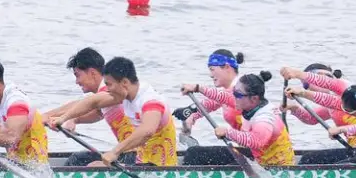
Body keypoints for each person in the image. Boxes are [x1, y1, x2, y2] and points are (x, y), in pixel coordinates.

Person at [47, 57, 178, 167]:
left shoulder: (151, 101)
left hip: (159, 168)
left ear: (125, 83)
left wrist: (115, 152)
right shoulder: (126, 94)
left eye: (109, 85)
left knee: (92, 167)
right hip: (141, 162)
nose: (107, 90)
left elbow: (147, 131)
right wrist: (63, 118)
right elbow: (92, 102)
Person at [41, 48, 135, 167]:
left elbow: (87, 104)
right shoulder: (106, 97)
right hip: (127, 153)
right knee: (79, 159)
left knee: (81, 162)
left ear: (92, 73)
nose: (76, 82)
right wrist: (74, 120)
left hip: (138, 155)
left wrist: (46, 116)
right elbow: (97, 113)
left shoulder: (111, 88)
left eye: (77, 75)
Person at [279, 63, 356, 165]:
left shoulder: (348, 92)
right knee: (309, 159)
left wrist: (297, 73)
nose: (307, 87)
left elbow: (328, 83)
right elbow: (311, 118)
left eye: (306, 83)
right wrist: (294, 108)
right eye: (305, 85)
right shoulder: (333, 104)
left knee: (307, 160)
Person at [208, 72, 294, 166]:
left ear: (254, 98)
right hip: (260, 163)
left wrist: (227, 132)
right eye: (234, 92)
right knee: (195, 152)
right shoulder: (251, 103)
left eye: (237, 94)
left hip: (278, 170)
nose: (234, 96)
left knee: (198, 156)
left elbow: (256, 141)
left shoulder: (265, 118)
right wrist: (197, 88)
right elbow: (223, 97)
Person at [178, 49, 245, 138]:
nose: (210, 75)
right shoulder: (228, 90)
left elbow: (224, 97)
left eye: (212, 69)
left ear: (227, 67)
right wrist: (191, 115)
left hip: (259, 147)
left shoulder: (243, 88)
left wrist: (197, 88)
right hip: (245, 144)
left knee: (193, 152)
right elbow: (211, 103)